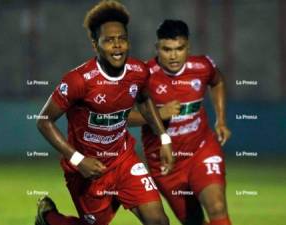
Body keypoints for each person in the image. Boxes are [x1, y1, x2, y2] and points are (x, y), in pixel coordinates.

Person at [35, 1, 174, 225]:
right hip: (89, 169)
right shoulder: (79, 80)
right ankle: (48, 218)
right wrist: (79, 160)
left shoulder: (139, 72)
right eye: (109, 40)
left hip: (124, 160)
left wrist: (164, 138)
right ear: (95, 44)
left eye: (122, 38)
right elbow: (44, 121)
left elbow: (145, 100)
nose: (117, 46)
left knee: (159, 221)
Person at [128, 19, 232, 225]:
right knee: (193, 221)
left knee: (217, 206)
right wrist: (159, 114)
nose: (174, 56)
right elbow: (123, 116)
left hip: (201, 150)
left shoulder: (202, 66)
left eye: (179, 48)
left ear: (188, 47)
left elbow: (218, 81)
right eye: (167, 49)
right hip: (165, 163)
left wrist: (221, 120)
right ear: (157, 48)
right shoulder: (143, 76)